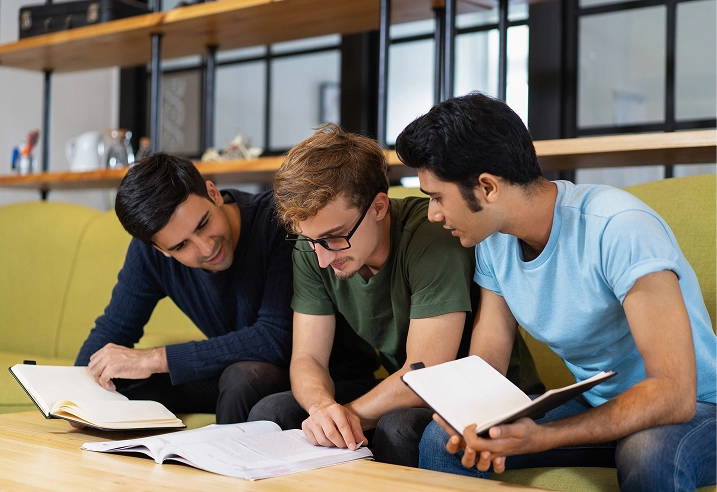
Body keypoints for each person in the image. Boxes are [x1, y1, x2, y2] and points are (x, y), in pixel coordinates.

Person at [394, 92, 716, 491]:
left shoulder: (620, 228)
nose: (433, 215)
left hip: (699, 409)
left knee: (647, 451)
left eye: (438, 198)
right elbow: (488, 358)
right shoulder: (493, 241)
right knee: (446, 442)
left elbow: (674, 394)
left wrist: (542, 436)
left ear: (488, 187)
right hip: (601, 404)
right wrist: (466, 414)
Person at [248, 124, 543, 467]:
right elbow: (308, 359)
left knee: (397, 426)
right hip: (402, 388)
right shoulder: (316, 246)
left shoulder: (432, 236)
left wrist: (346, 416)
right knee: (272, 410)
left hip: (478, 393)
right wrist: (321, 408)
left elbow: (426, 371)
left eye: (335, 237)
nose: (323, 258)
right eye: (309, 240)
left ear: (378, 207)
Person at [75, 152, 377, 424]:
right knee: (118, 380)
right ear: (160, 249)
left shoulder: (277, 221)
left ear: (212, 193)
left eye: (203, 224)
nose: (206, 247)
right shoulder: (150, 256)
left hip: (325, 375)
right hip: (233, 370)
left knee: (243, 376)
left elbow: (276, 337)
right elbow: (114, 327)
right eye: (181, 245)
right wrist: (76, 385)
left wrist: (155, 358)